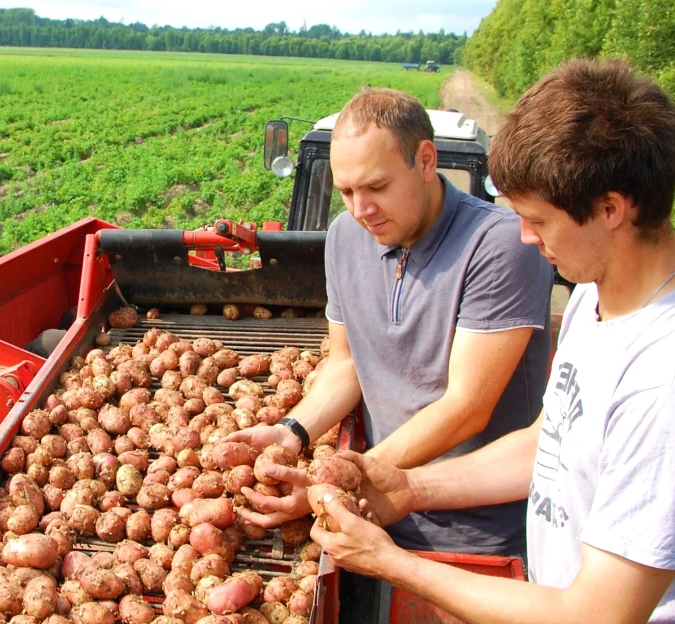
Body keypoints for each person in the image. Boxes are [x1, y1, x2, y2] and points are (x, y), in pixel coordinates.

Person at [310, 58, 675, 623]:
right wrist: (409, 488)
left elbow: (596, 616)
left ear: (610, 209)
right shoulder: (594, 300)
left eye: (540, 220)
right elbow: (545, 445)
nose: (526, 237)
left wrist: (394, 564)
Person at [226, 86, 553, 559]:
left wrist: (334, 482)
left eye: (376, 187)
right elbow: (347, 362)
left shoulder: (497, 244)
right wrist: (293, 432)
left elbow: (466, 405)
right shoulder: (344, 237)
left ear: (424, 160)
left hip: (474, 536)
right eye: (346, 192)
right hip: (372, 512)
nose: (361, 210)